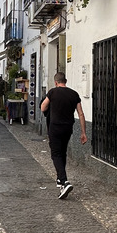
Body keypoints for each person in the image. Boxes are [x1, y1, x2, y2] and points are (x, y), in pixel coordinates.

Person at [40, 72, 87, 200]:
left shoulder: (53, 92)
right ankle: (60, 180)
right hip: (68, 128)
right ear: (65, 81)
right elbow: (81, 114)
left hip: (55, 127)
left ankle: (64, 181)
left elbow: (43, 108)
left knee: (55, 154)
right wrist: (83, 132)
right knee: (63, 152)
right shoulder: (74, 94)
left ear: (56, 82)